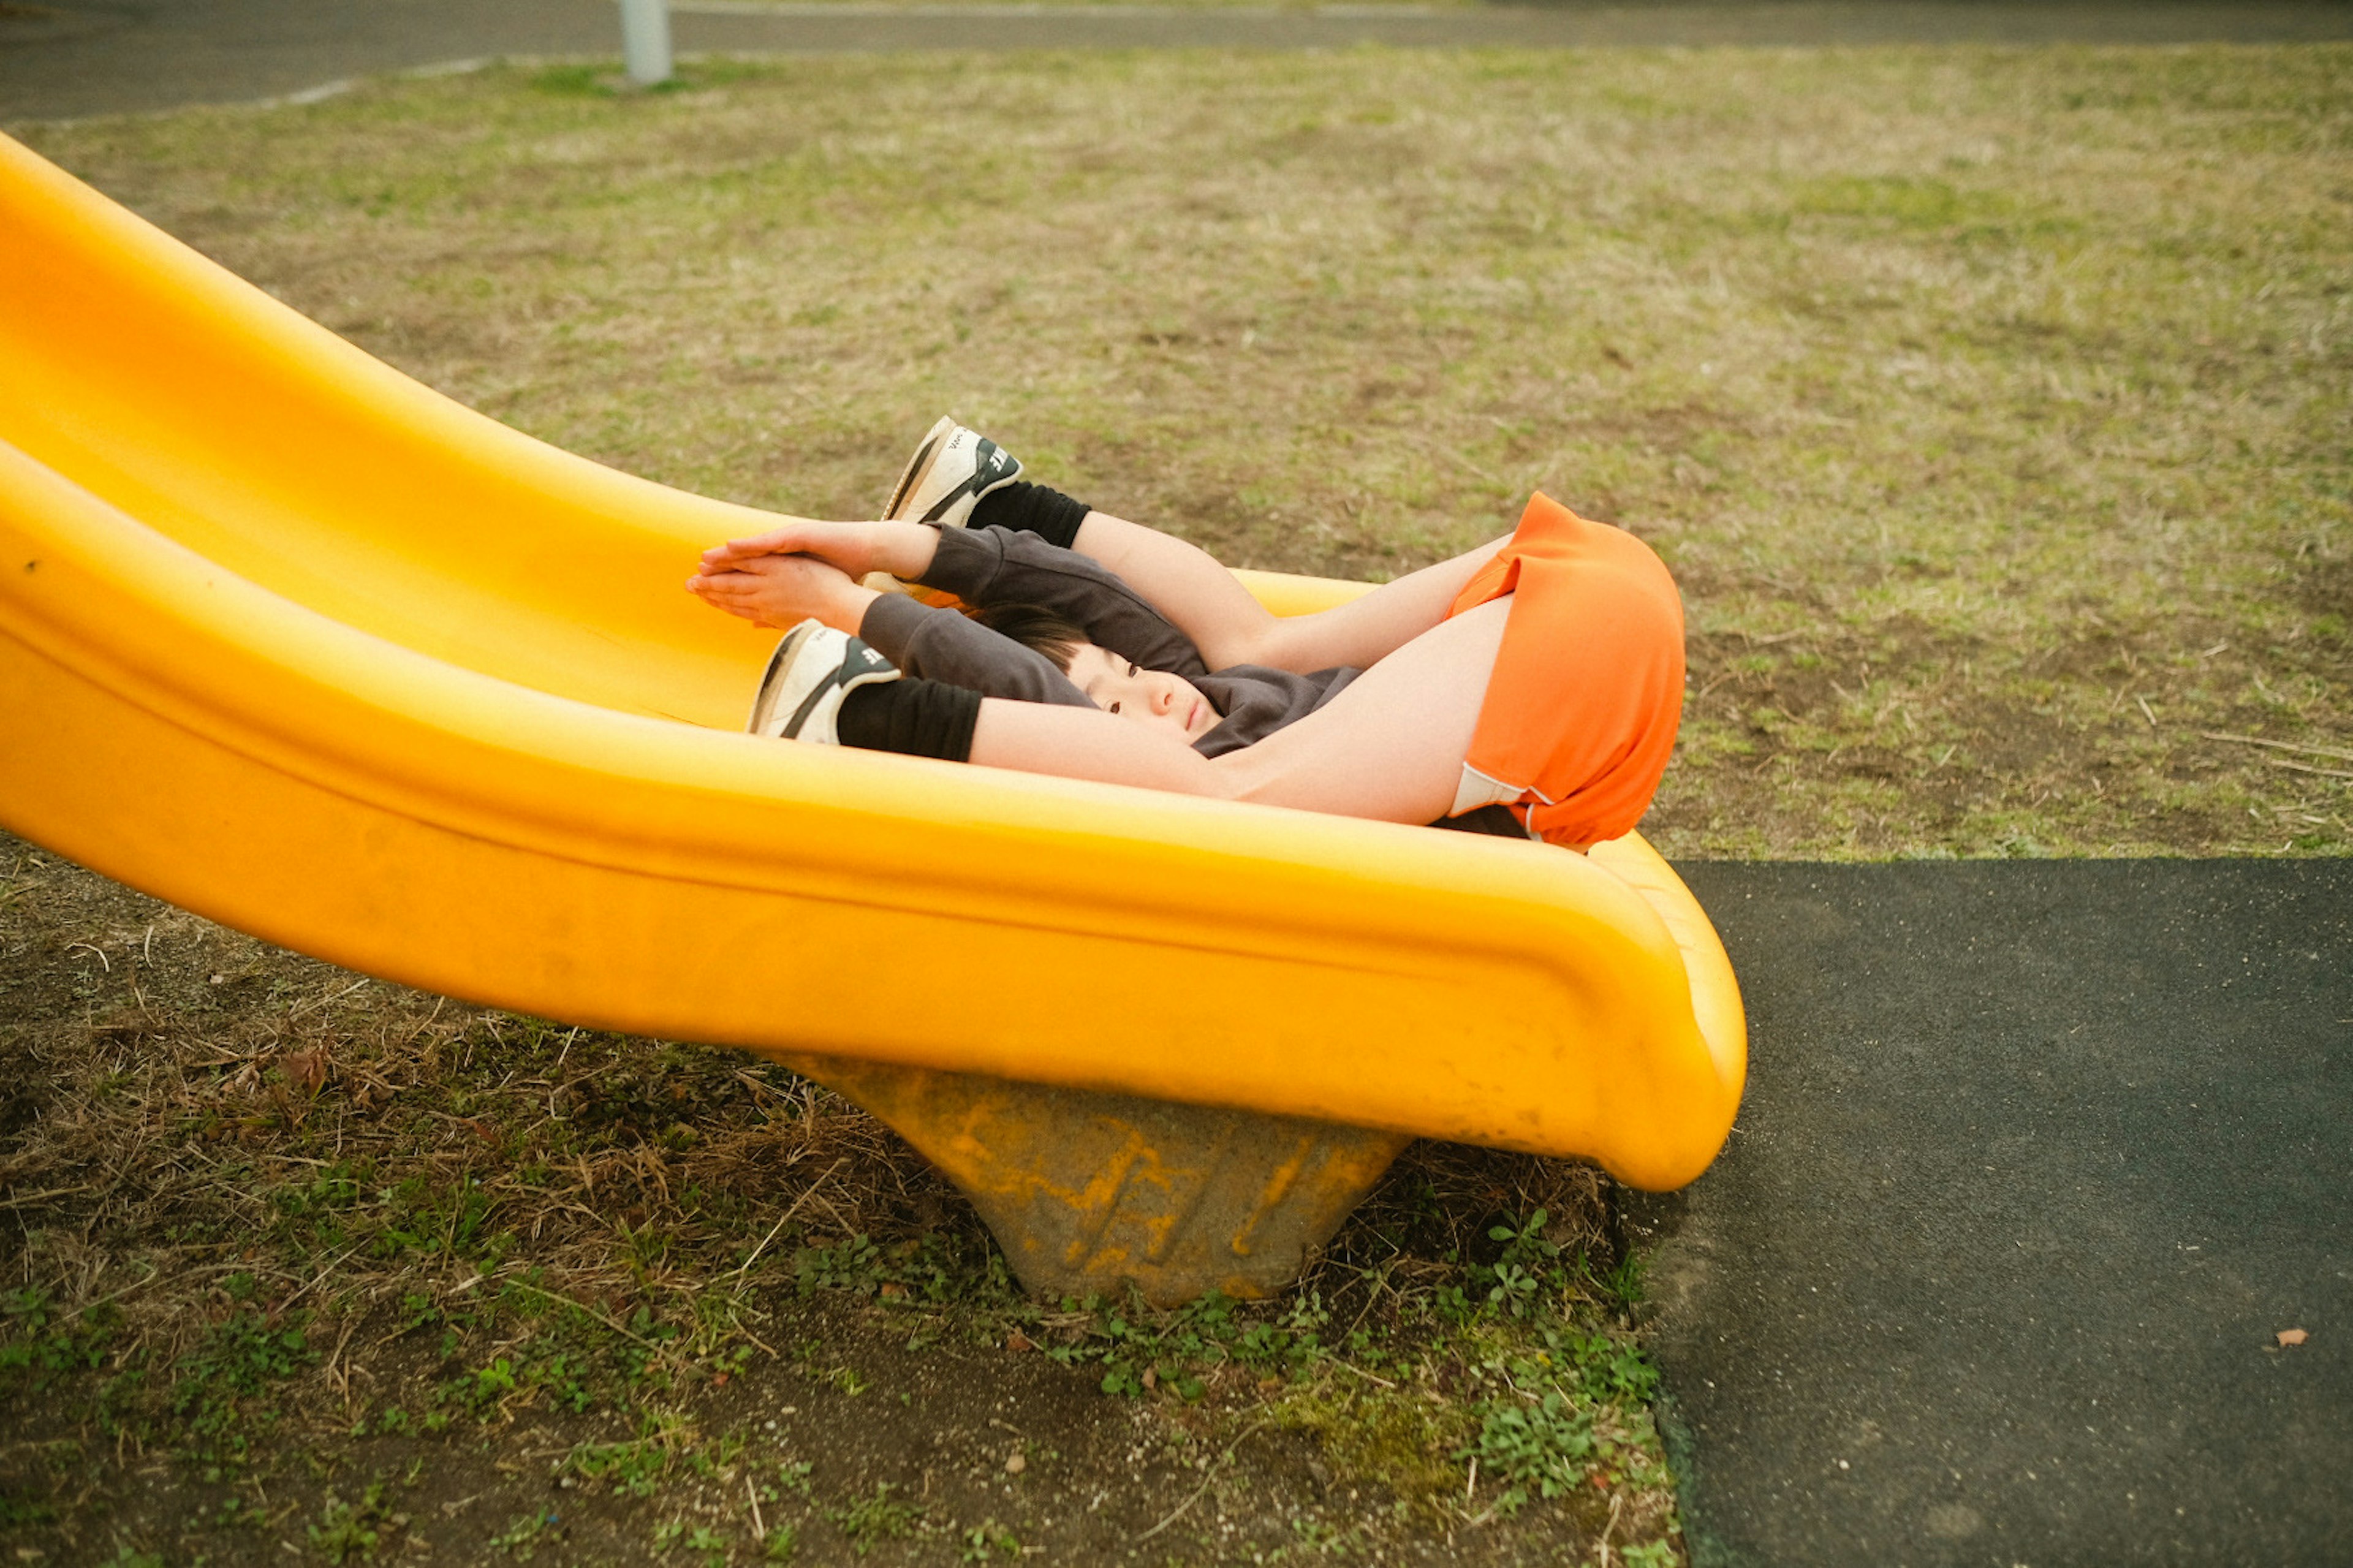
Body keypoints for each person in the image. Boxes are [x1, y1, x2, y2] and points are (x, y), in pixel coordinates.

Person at [686, 420, 1685, 850]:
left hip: (1586, 639)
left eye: (1127, 680)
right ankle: (994, 490)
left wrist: (869, 575)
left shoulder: (1231, 752)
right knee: (1263, 646)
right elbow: (1054, 667)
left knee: (1233, 797)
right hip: (1587, 580)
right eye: (1120, 706)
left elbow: (1086, 601)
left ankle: (866, 712)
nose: (1157, 690)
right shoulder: (1232, 707)